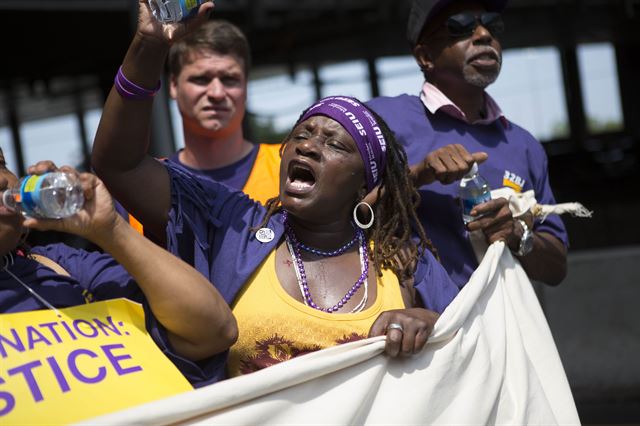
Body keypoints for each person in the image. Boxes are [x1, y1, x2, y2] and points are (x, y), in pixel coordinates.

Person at [91, 0, 459, 377]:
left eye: (334, 144)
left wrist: (429, 323)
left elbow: (475, 347)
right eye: (300, 135)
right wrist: (148, 45)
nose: (309, 146)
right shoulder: (233, 228)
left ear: (364, 182)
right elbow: (120, 164)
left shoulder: (405, 262)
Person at [367, 0, 568, 288]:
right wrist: (417, 176)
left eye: (492, 25)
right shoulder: (382, 121)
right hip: (417, 327)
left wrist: (516, 234)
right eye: (460, 25)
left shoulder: (523, 145)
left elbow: (557, 267)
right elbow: (337, 213)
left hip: (503, 328)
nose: (484, 34)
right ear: (425, 56)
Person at [0, 150, 237, 387]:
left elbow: (215, 330)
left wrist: (111, 230)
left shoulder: (57, 264)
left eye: (1, 164)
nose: (2, 179)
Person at [117, 18, 280, 235]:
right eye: (201, 79)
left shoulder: (287, 167)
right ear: (173, 86)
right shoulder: (142, 184)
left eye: (230, 79)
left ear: (246, 87)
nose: (217, 93)